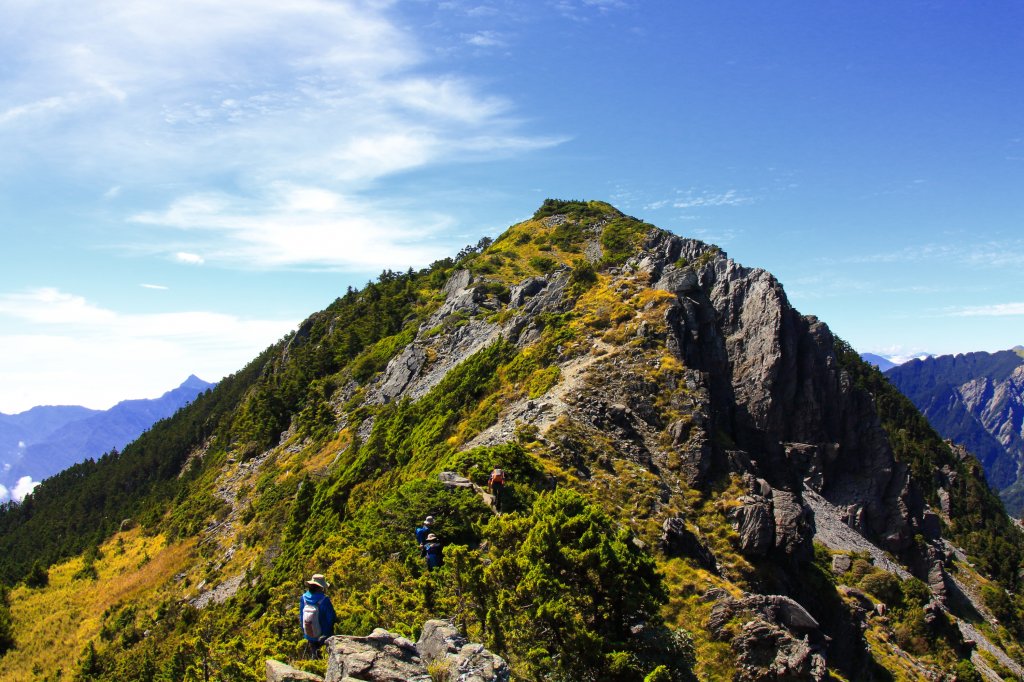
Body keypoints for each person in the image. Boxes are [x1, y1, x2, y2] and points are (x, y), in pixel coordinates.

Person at [300, 573, 337, 658]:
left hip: (309, 634)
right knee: (325, 658)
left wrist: (305, 632)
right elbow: (331, 618)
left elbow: (301, 617)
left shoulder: (304, 598)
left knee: (315, 656)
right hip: (324, 635)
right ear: (321, 587)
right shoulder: (324, 600)